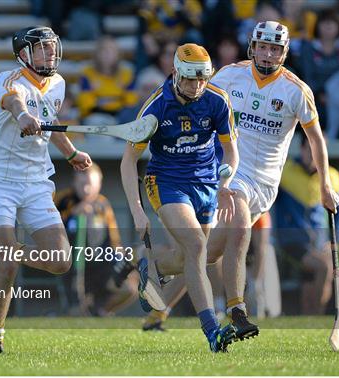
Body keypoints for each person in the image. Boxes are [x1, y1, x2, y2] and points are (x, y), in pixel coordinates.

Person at [143, 21, 339, 339]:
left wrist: (327, 186)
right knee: (235, 223)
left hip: (266, 184)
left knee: (207, 253)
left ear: (284, 53)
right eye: (262, 46)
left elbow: (316, 140)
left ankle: (156, 280)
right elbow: (199, 102)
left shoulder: (295, 89)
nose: (267, 53)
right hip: (229, 171)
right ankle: (237, 310)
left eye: (275, 48)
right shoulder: (230, 75)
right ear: (252, 46)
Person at [0, 26, 92, 353]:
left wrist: (71, 154)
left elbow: (50, 123)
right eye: (42, 48)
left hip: (37, 182)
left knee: (60, 261)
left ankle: (5, 255)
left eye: (53, 47)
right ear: (24, 54)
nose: (50, 53)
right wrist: (23, 114)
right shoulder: (8, 79)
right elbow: (14, 102)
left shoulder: (58, 84)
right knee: (9, 266)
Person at [120, 43, 239, 352]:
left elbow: (231, 152)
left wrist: (225, 180)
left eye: (202, 79)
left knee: (193, 259)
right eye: (189, 79)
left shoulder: (217, 101)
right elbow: (128, 160)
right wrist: (137, 211)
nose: (196, 86)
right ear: (174, 73)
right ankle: (213, 332)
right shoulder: (156, 107)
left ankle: (154, 267)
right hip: (166, 182)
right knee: (197, 247)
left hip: (207, 183)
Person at [274, 136, 339, 315]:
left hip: (319, 244)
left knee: (321, 273)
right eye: (311, 150)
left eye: (320, 151)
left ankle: (310, 318)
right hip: (291, 242)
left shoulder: (333, 177)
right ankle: (318, 316)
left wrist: (335, 240)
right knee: (324, 267)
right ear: (302, 150)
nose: (314, 156)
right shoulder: (285, 171)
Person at [55, 163, 138, 316]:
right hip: (73, 267)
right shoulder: (63, 200)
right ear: (74, 182)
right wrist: (72, 214)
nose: (86, 189)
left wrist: (121, 257)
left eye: (90, 185)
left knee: (129, 288)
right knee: (75, 312)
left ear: (99, 184)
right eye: (82, 184)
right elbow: (49, 231)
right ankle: (75, 312)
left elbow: (114, 239)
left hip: (101, 264)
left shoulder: (103, 204)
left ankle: (99, 311)